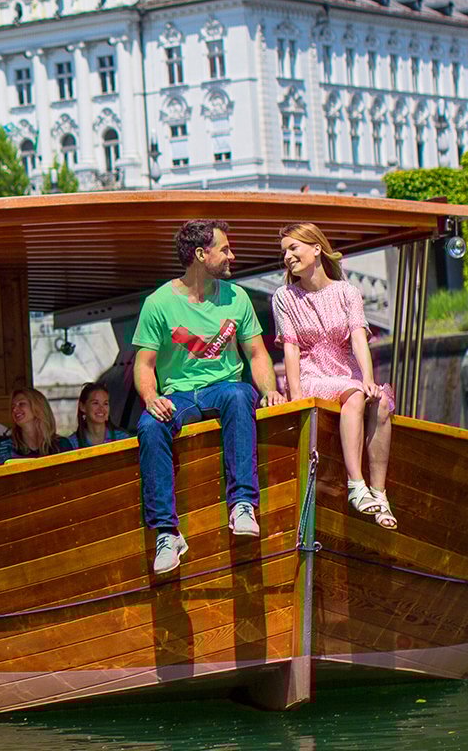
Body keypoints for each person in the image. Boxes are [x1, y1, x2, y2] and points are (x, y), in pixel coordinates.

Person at [133, 219, 281, 574]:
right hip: (179, 395)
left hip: (222, 389)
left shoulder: (237, 297)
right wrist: (151, 397)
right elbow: (144, 363)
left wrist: (271, 391)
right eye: (225, 249)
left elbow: (257, 354)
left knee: (239, 394)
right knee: (149, 425)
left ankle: (243, 504)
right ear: (201, 254)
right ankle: (167, 534)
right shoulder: (158, 303)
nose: (232, 255)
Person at [273, 223, 398, 530]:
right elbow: (290, 348)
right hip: (310, 372)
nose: (287, 256)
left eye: (293, 248)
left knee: (379, 401)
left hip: (346, 371)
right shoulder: (283, 297)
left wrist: (369, 377)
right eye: (284, 251)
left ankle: (379, 495)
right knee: (355, 394)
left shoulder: (348, 292)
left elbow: (358, 338)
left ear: (316, 249)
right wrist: (296, 393)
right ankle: (356, 484)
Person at [0, 387, 67, 464]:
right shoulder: (5, 446)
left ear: (39, 407)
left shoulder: (60, 445)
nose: (14, 409)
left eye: (21, 404)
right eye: (13, 406)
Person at [68, 383, 133, 449]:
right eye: (95, 403)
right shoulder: (72, 444)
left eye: (105, 403)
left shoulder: (123, 439)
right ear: (82, 406)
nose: (101, 408)